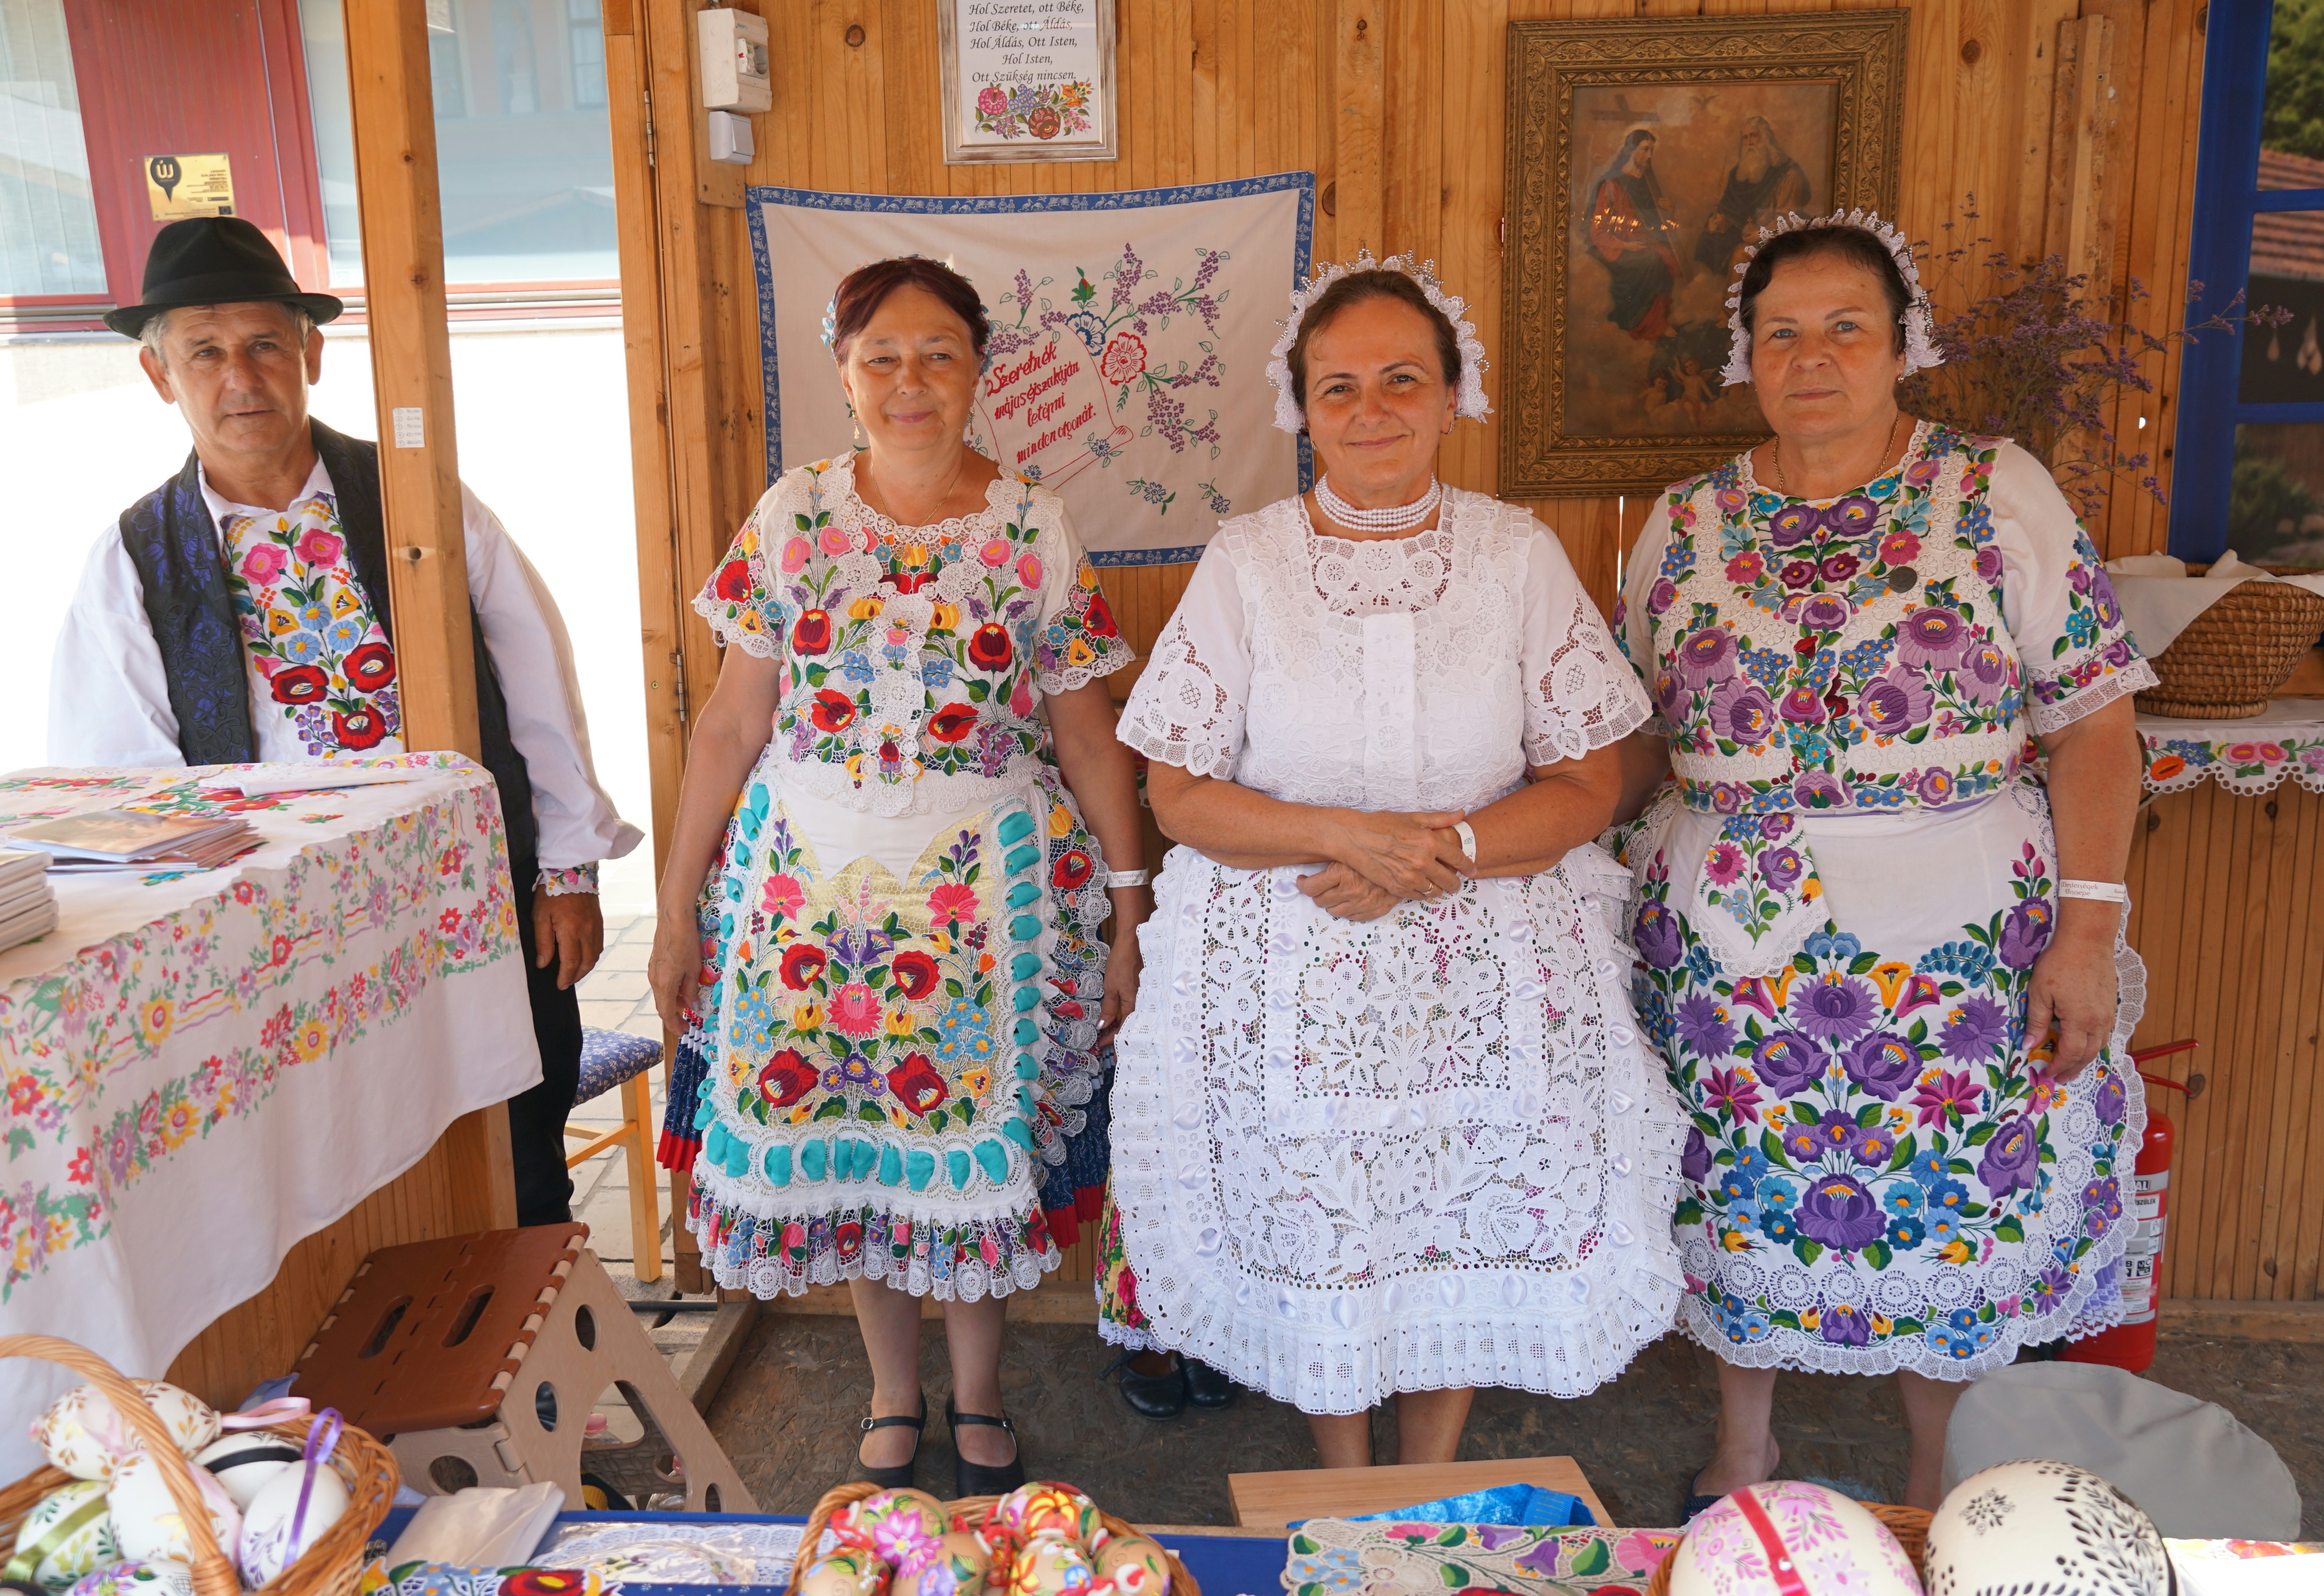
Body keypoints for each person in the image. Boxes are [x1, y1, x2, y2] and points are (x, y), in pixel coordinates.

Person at [1098, 254, 1687, 1468]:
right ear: (1301, 409)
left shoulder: (1514, 554)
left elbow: (1590, 778)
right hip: (1287, 962)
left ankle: (1425, 1482)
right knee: (1328, 1222)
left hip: (1482, 961)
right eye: (1338, 388)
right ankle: (1345, 1485)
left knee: (1447, 1206)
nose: (1369, 411)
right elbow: (1178, 792)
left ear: (1449, 393)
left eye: (1400, 381)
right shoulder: (1247, 561)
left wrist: (1441, 850)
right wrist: (1341, 833)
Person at [1607, 211, 2152, 1515]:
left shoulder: (1991, 489)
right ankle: (1748, 1451)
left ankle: (1934, 1475)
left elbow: (2093, 720)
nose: (1814, 357)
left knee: (1953, 1197)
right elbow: (1632, 739)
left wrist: (2087, 930)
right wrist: (1504, 834)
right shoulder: (1683, 525)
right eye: (1782, 333)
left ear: (1902, 345)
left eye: (1847, 327)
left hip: (1954, 940)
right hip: (1729, 946)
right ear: (1747, 355)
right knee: (1733, 1185)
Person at [645, 256, 1147, 1495]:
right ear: (842, 372)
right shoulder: (792, 517)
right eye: (882, 357)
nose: (910, 381)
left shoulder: (1031, 523)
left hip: (981, 888)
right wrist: (672, 905)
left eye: (938, 354)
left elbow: (1086, 732)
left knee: (961, 1138)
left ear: (979, 371)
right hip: (805, 884)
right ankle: (889, 1386)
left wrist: (1132, 906)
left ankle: (976, 1390)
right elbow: (728, 726)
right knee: (861, 1137)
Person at [49, 217, 642, 1227]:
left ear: (311, 355)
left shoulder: (416, 498)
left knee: (517, 1153)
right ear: (160, 376)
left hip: (475, 900)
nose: (242, 376)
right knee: (329, 1182)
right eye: (206, 351)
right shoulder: (133, 559)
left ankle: (543, 1378)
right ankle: (387, 1380)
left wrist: (569, 873)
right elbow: (124, 787)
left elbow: (540, 684)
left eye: (266, 345)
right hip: (281, 936)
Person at [1586, 128, 1682, 340]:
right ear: (1631, 151)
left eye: (1652, 151)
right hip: (1617, 246)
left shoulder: (1648, 182)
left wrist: (1671, 210)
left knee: (1668, 259)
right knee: (1653, 261)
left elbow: (1660, 225)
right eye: (1645, 150)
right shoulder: (1612, 184)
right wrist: (1627, 246)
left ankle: (1661, 318)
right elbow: (1598, 230)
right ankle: (1649, 325)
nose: (1650, 156)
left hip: (1645, 242)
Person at [1694, 117, 1812, 278]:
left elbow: (1790, 218)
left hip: (1778, 238)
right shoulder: (1739, 174)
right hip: (1746, 233)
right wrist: (1719, 221)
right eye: (1745, 137)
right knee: (1707, 242)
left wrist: (1763, 232)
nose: (1750, 142)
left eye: (1754, 136)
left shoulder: (1789, 174)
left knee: (1740, 255)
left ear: (1766, 139)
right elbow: (1730, 209)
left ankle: (1733, 302)